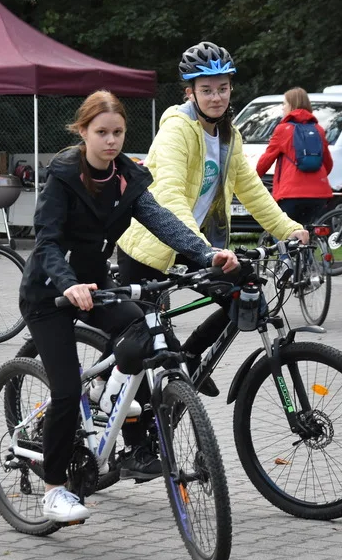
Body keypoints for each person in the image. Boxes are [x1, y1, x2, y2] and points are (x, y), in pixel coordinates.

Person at [20, 90, 239, 523]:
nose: (111, 140)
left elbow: (160, 221)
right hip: (50, 293)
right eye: (101, 132)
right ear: (83, 132)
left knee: (140, 330)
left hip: (97, 287)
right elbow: (45, 243)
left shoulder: (126, 177)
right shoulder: (64, 176)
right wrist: (69, 285)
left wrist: (204, 253)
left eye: (118, 132)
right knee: (64, 391)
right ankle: (53, 489)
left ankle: (103, 390)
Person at [117, 41, 307, 394]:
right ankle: (135, 433)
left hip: (196, 245)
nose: (216, 97)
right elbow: (169, 194)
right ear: (191, 93)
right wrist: (204, 250)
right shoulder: (178, 129)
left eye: (222, 88)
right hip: (151, 246)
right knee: (142, 352)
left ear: (231, 88)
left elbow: (251, 189)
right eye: (206, 90)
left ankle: (189, 356)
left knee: (247, 295)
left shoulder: (227, 135)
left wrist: (290, 230)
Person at [255, 87, 334, 226]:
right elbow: (328, 164)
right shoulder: (318, 129)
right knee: (309, 234)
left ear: (292, 104)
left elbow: (266, 160)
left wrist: (254, 178)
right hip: (319, 193)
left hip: (290, 194)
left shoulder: (283, 129)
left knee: (282, 232)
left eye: (284, 104)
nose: (282, 108)